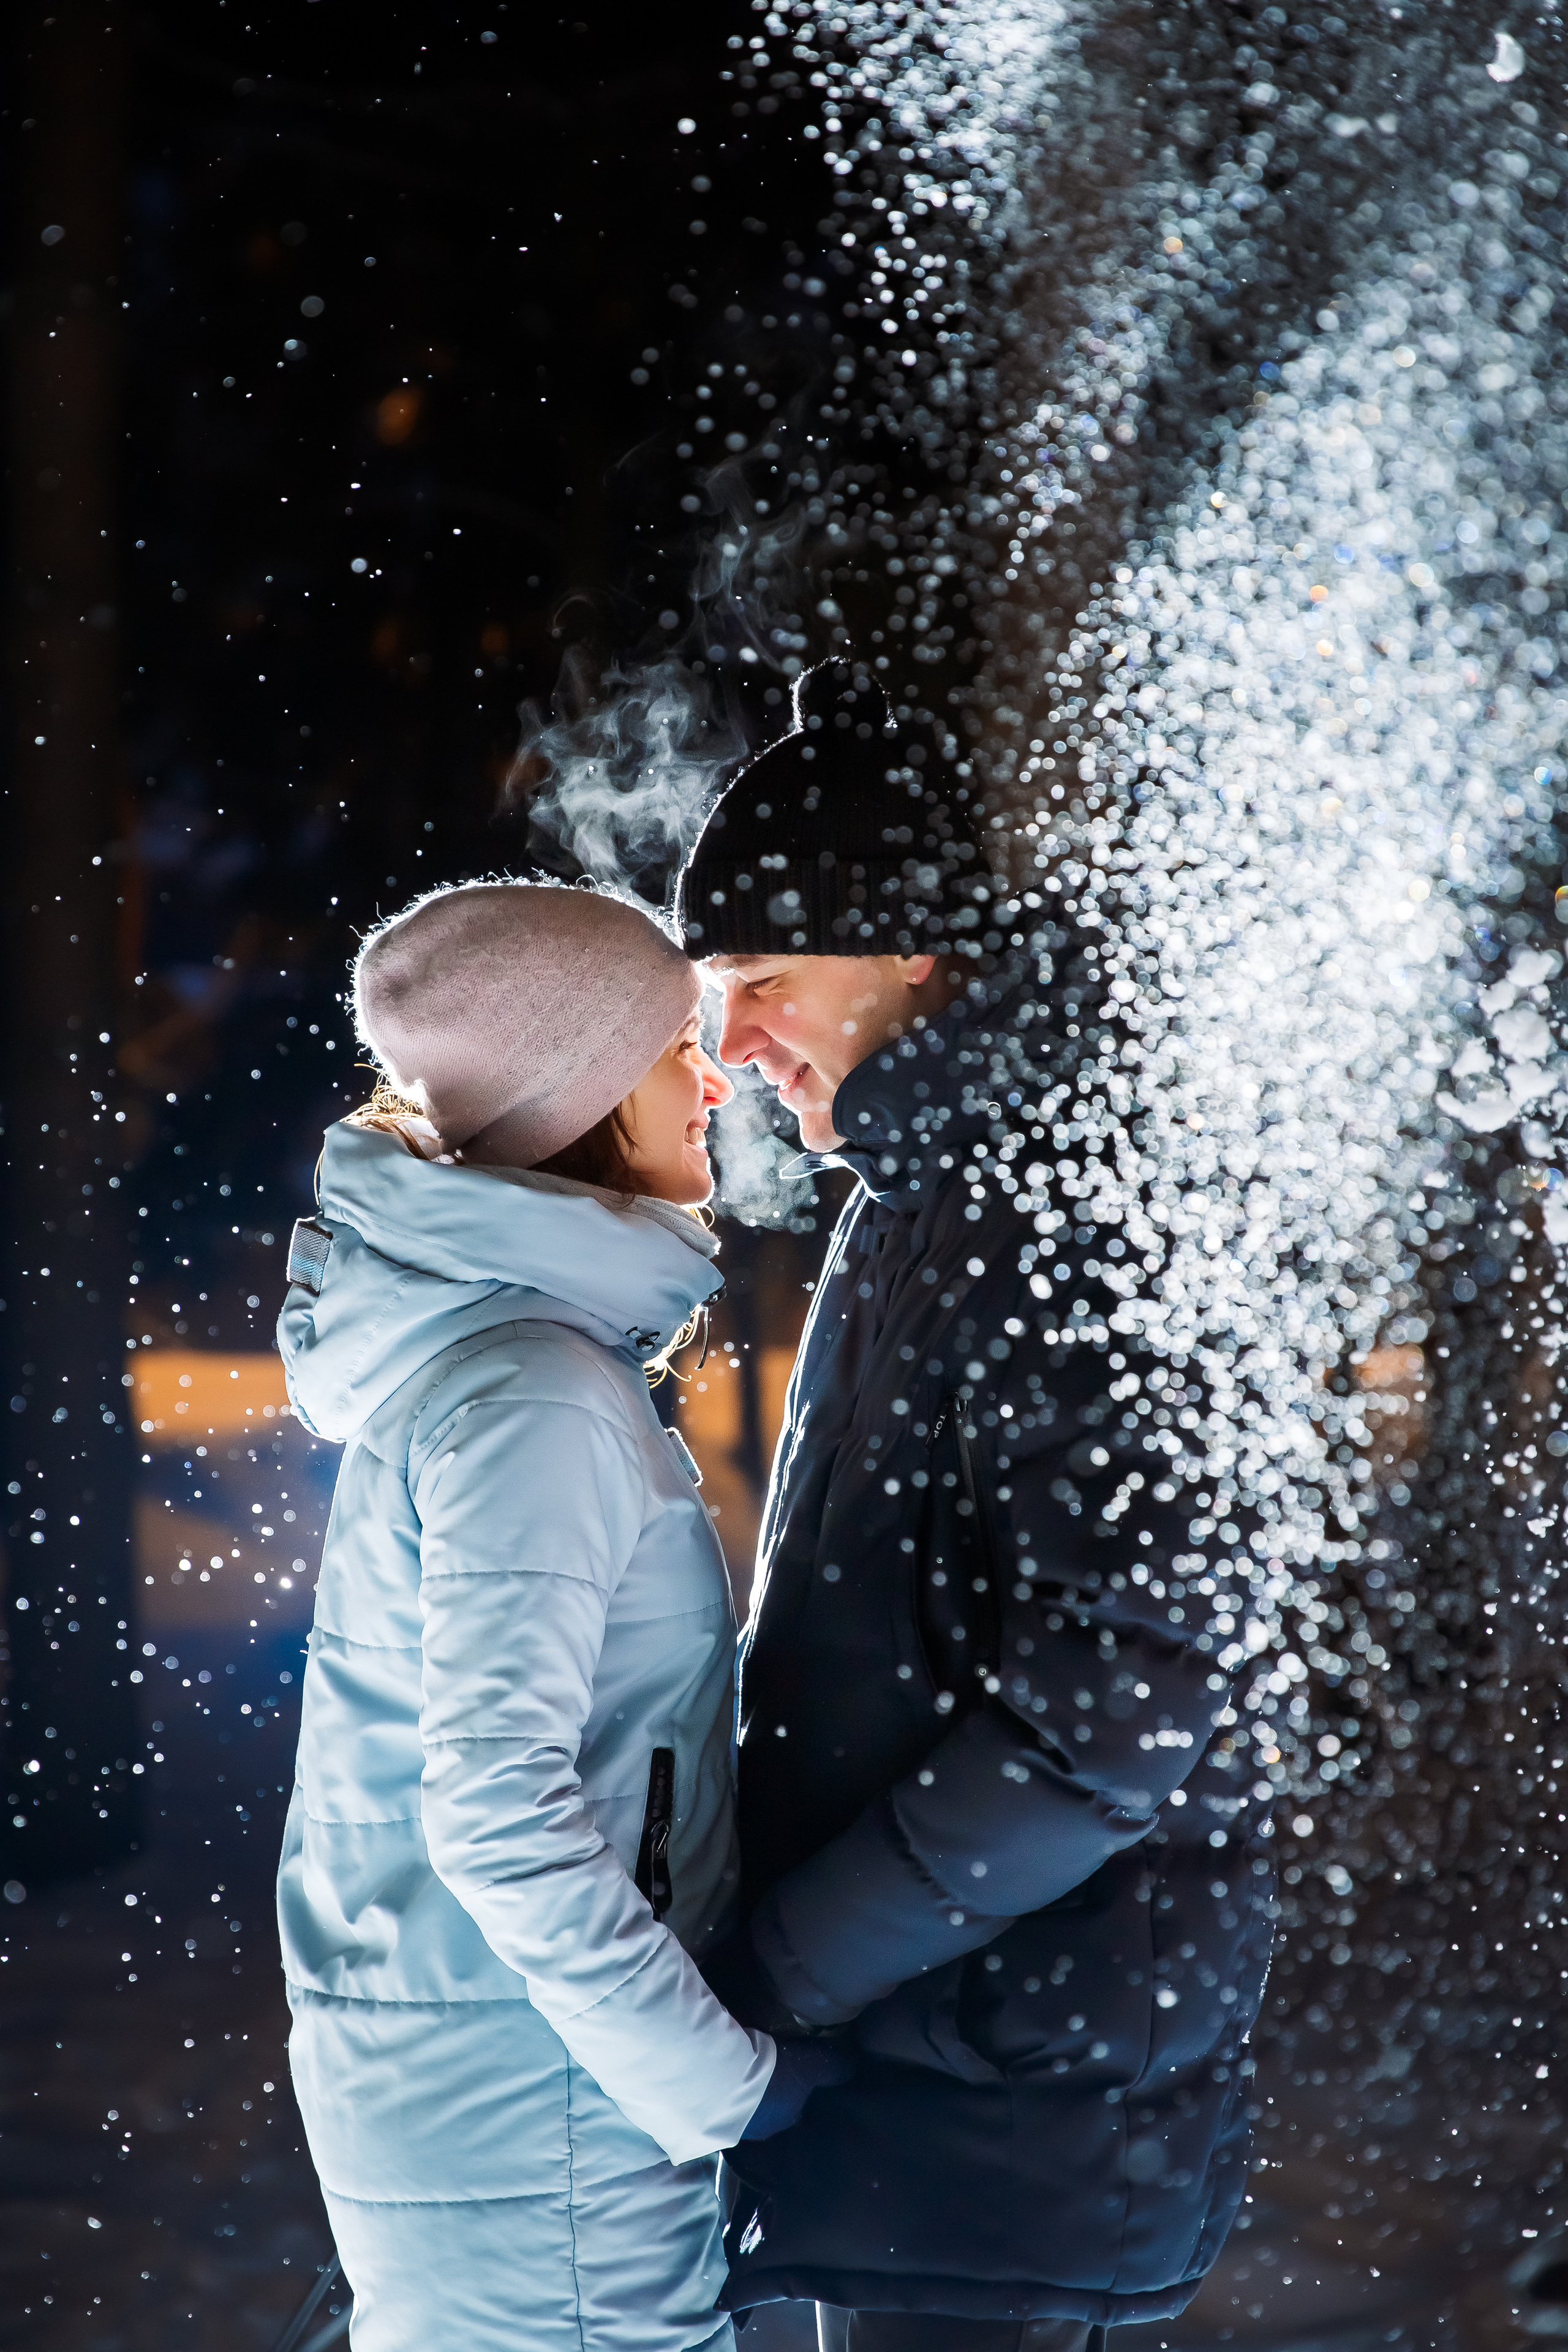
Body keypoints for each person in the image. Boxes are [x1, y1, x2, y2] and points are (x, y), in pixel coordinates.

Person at [678, 664, 1275, 2350]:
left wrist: (785, 1968)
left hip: (1008, 2087)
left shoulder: (1067, 1205)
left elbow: (1119, 1703)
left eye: (765, 981)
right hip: (927, 2068)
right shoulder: (925, 1195)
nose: (731, 1047)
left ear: (914, 952)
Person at [274, 880, 845, 2352]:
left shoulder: (501, 1361)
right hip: (548, 2122)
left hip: (501, 2079)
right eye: (673, 1052)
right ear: (579, 1104)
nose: (713, 1082)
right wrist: (723, 2086)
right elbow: (497, 1816)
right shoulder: (533, 1394)